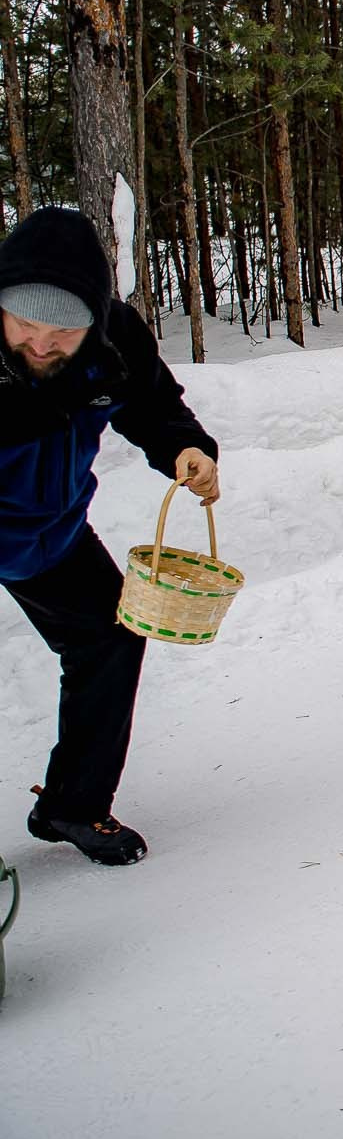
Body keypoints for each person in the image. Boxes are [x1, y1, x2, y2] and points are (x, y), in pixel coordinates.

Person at [1, 207, 221, 866]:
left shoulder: (114, 340)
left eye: (62, 330)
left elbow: (154, 403)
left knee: (111, 636)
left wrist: (186, 448)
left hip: (51, 533)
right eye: (23, 324)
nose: (42, 344)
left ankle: (73, 804)